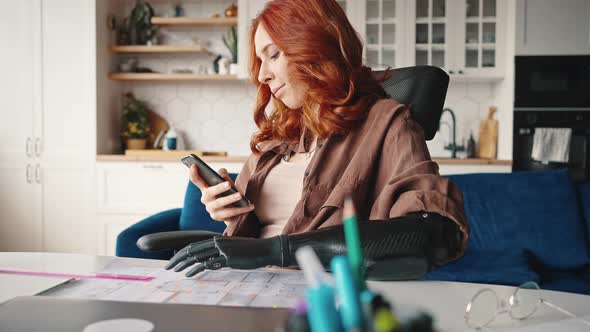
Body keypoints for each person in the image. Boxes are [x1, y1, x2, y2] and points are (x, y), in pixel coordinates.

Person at [164, 0, 468, 278]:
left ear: (317, 46)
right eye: (261, 60)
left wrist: (276, 250)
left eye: (274, 54)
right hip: (248, 282)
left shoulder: (387, 123)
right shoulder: (276, 138)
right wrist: (224, 209)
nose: (262, 75)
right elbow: (246, 230)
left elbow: (433, 230)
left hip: (321, 291)